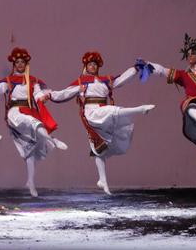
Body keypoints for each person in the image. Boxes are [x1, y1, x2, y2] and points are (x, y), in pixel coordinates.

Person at [46, 51, 152, 194]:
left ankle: (103, 181)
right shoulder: (81, 82)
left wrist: (135, 68)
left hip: (102, 114)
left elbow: (121, 79)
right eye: (90, 64)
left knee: (98, 150)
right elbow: (64, 93)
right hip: (92, 113)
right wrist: (50, 95)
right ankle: (139, 109)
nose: (93, 66)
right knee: (112, 111)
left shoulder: (105, 80)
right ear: (86, 66)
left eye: (95, 64)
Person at [0, 47, 68, 197]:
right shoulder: (9, 81)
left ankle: (30, 182)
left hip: (29, 111)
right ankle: (52, 140)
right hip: (15, 112)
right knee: (34, 123)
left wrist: (43, 97)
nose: (20, 64)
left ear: (26, 64)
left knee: (30, 151)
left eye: (22, 62)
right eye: (17, 62)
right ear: (14, 64)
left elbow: (38, 94)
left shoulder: (33, 81)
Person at [148, 34, 196, 191]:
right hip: (193, 105)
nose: (190, 57)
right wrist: (148, 65)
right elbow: (163, 71)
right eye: (188, 54)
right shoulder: (184, 74)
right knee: (190, 105)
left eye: (193, 54)